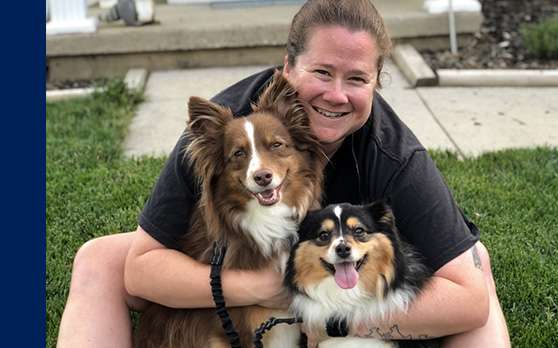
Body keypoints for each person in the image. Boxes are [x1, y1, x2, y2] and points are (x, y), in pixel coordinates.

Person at [56, 0, 510, 347]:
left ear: (377, 81)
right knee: (100, 258)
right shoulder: (227, 129)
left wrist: (324, 311)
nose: (336, 95)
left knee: (475, 265)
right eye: (322, 71)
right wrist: (257, 287)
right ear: (288, 68)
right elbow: (140, 269)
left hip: (351, 262)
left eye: (356, 78)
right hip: (249, 259)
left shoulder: (394, 155)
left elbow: (469, 299)